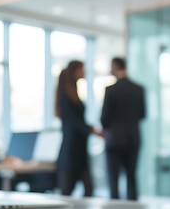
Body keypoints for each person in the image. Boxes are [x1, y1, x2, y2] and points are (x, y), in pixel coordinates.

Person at [100, 57, 146, 200]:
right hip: (133, 137)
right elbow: (142, 114)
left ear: (115, 66)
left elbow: (104, 118)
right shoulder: (139, 89)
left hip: (114, 139)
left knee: (113, 179)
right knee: (131, 176)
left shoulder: (111, 90)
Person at [55, 60, 102, 197]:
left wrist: (90, 129)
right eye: (82, 69)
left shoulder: (73, 92)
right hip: (72, 147)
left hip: (79, 146)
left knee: (87, 187)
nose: (84, 72)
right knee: (68, 189)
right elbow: (73, 121)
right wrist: (91, 130)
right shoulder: (65, 93)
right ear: (75, 71)